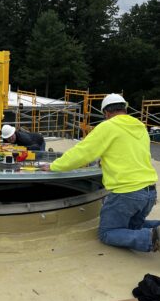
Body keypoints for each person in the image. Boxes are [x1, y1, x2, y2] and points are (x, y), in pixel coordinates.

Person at [42, 93, 160, 252]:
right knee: (133, 227)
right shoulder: (140, 126)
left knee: (107, 233)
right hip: (150, 192)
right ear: (124, 108)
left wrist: (55, 166)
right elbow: (128, 153)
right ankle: (156, 231)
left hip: (126, 192)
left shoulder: (108, 126)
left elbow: (83, 152)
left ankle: (152, 237)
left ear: (106, 113)